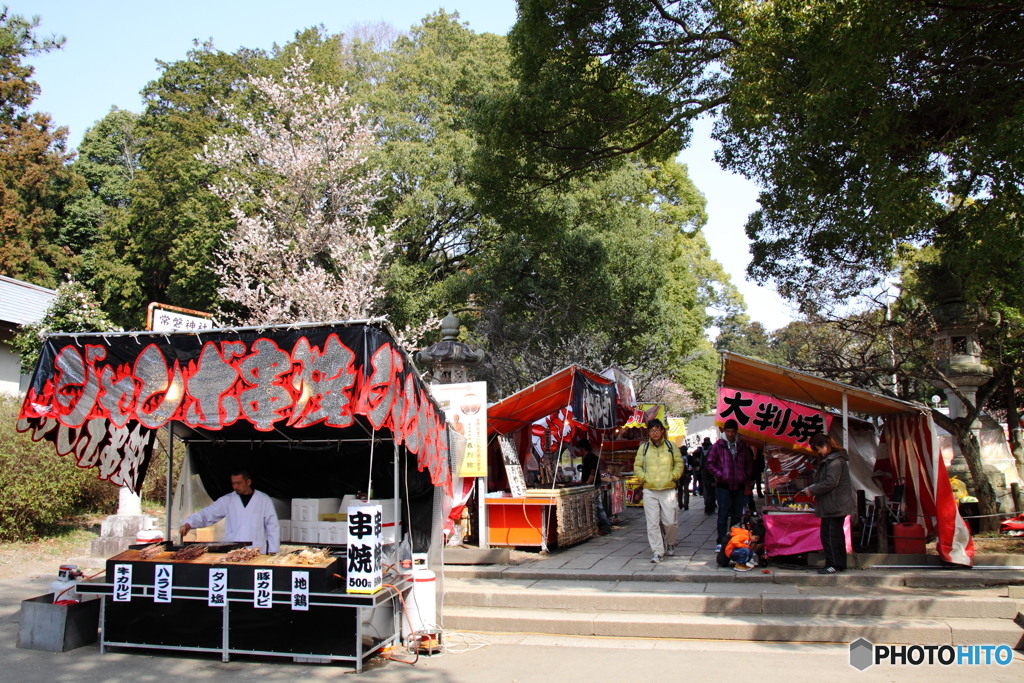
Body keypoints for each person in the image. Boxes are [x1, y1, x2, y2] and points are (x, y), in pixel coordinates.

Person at [179, 469, 280, 554]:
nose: (235, 487)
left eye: (238, 483)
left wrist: (273, 550)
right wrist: (189, 523)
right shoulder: (228, 500)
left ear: (248, 482)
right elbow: (208, 514)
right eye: (233, 483)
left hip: (256, 550)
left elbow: (272, 527)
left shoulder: (263, 500)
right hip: (232, 551)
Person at [800, 433, 856, 574]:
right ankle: (839, 563)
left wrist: (812, 490)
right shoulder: (832, 460)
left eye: (819, 448)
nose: (818, 452)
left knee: (830, 535)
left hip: (834, 504)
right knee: (835, 535)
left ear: (825, 446)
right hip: (833, 503)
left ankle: (833, 564)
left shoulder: (835, 461)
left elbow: (831, 482)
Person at [633, 418, 683, 563]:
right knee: (653, 523)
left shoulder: (670, 446)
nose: (655, 433)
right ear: (648, 432)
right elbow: (637, 466)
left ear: (662, 431)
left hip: (668, 489)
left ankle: (671, 542)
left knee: (670, 521)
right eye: (652, 430)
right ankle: (657, 551)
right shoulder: (644, 448)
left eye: (657, 429)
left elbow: (679, 464)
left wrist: (673, 476)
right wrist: (644, 478)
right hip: (650, 489)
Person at [705, 419, 754, 552]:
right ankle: (721, 541)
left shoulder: (743, 446)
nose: (730, 434)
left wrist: (745, 474)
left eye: (732, 432)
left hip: (739, 484)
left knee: (737, 515)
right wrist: (720, 474)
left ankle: (734, 539)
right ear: (724, 431)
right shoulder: (718, 446)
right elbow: (709, 463)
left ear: (736, 432)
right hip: (723, 485)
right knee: (723, 514)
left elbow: (749, 463)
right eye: (728, 431)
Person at [579, 439, 613, 535]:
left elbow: (592, 473)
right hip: (592, 484)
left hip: (593, 485)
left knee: (598, 507)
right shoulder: (590, 457)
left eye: (578, 449)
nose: (577, 451)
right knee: (596, 506)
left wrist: (587, 484)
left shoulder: (590, 458)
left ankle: (606, 527)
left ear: (582, 448)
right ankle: (599, 526)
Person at [699, 437, 717, 516]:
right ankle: (711, 507)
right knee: (712, 491)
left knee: (706, 490)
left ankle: (707, 507)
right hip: (711, 471)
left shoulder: (701, 449)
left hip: (703, 471)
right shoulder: (712, 449)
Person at [676, 445, 691, 511]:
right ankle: (686, 505)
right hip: (686, 475)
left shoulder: (677, 457)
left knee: (679, 491)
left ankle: (680, 504)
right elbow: (691, 466)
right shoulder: (688, 457)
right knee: (686, 490)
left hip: (679, 476)